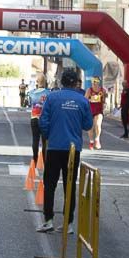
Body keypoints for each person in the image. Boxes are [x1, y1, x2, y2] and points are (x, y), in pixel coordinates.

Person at [36, 69, 93, 234]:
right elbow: (88, 125)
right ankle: (68, 224)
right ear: (76, 83)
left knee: (50, 185)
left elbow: (43, 121)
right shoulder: (82, 101)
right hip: (73, 149)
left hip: (54, 147)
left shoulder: (52, 98)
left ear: (61, 82)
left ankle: (48, 220)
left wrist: (48, 136)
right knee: (70, 186)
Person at [27, 76, 49, 160]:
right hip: (44, 119)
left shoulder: (31, 93)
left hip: (34, 118)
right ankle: (44, 159)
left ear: (37, 81)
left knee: (35, 139)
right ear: (45, 82)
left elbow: (29, 104)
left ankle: (35, 158)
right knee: (44, 141)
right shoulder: (48, 93)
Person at [85, 77, 107, 150]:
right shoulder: (89, 90)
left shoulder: (102, 90)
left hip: (98, 111)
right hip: (90, 111)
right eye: (93, 81)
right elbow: (85, 100)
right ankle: (91, 141)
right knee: (90, 127)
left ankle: (97, 139)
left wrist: (104, 100)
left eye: (96, 81)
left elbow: (103, 101)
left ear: (99, 82)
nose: (95, 83)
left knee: (97, 124)